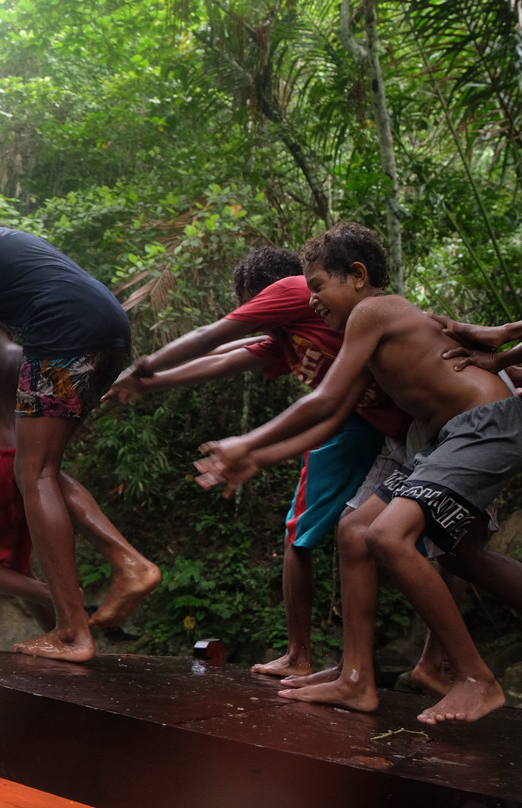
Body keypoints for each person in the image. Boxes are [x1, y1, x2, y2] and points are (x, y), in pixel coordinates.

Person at [197, 222, 522, 724]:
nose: (312, 303)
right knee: (365, 533)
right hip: (440, 440)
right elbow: (332, 413)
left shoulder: (373, 310)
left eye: (317, 288)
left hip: (481, 426)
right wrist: (259, 457)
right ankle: (357, 678)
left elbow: (323, 399)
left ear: (356, 275)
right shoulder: (366, 331)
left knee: (389, 537)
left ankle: (477, 678)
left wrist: (246, 440)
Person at [106, 246, 409, 678]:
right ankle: (342, 662)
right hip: (373, 424)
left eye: (248, 300)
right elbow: (231, 358)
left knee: (310, 533)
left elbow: (218, 336)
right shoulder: (285, 339)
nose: (249, 309)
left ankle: (305, 656)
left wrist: (144, 366)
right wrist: (148, 383)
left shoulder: (290, 290)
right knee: (366, 536)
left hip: (368, 427)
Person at [0, 186, 145, 662]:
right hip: (110, 334)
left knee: (32, 473)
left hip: (63, 336)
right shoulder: (4, 243)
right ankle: (125, 563)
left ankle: (74, 631)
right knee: (45, 469)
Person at [0, 323, 159, 631]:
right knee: (17, 568)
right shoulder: (25, 356)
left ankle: (63, 595)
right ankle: (64, 634)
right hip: (28, 463)